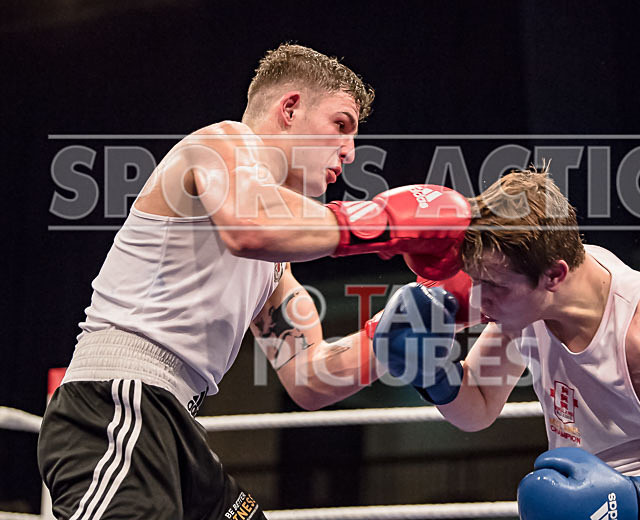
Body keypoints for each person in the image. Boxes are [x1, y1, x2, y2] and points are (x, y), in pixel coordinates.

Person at [37, 43, 471, 520]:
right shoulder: (221, 142)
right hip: (116, 405)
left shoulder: (274, 269)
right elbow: (252, 227)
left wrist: (391, 340)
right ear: (289, 108)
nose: (349, 150)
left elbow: (307, 377)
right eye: (340, 125)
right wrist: (382, 221)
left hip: (170, 423)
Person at [373, 165, 640, 519]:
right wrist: (432, 373)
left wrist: (631, 501)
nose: (478, 300)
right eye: (476, 280)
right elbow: (476, 407)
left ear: (554, 275)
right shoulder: (527, 303)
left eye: (493, 285)